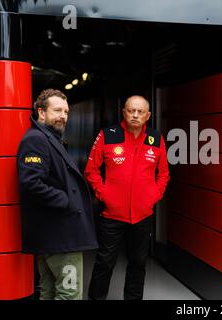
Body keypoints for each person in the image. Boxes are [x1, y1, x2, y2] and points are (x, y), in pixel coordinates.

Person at [85, 95, 170, 300]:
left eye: (140, 112)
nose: (135, 115)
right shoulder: (108, 135)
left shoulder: (156, 139)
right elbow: (91, 171)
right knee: (105, 262)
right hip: (111, 215)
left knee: (138, 263)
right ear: (123, 112)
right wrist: (105, 195)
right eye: (131, 110)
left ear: (148, 115)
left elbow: (164, 174)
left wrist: (153, 196)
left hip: (142, 216)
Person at [17, 89, 98, 300]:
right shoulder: (36, 139)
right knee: (68, 294)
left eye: (66, 111)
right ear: (41, 112)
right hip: (60, 235)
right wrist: (66, 200)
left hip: (54, 235)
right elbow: (31, 183)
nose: (63, 116)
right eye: (57, 110)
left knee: (49, 291)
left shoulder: (48, 137)